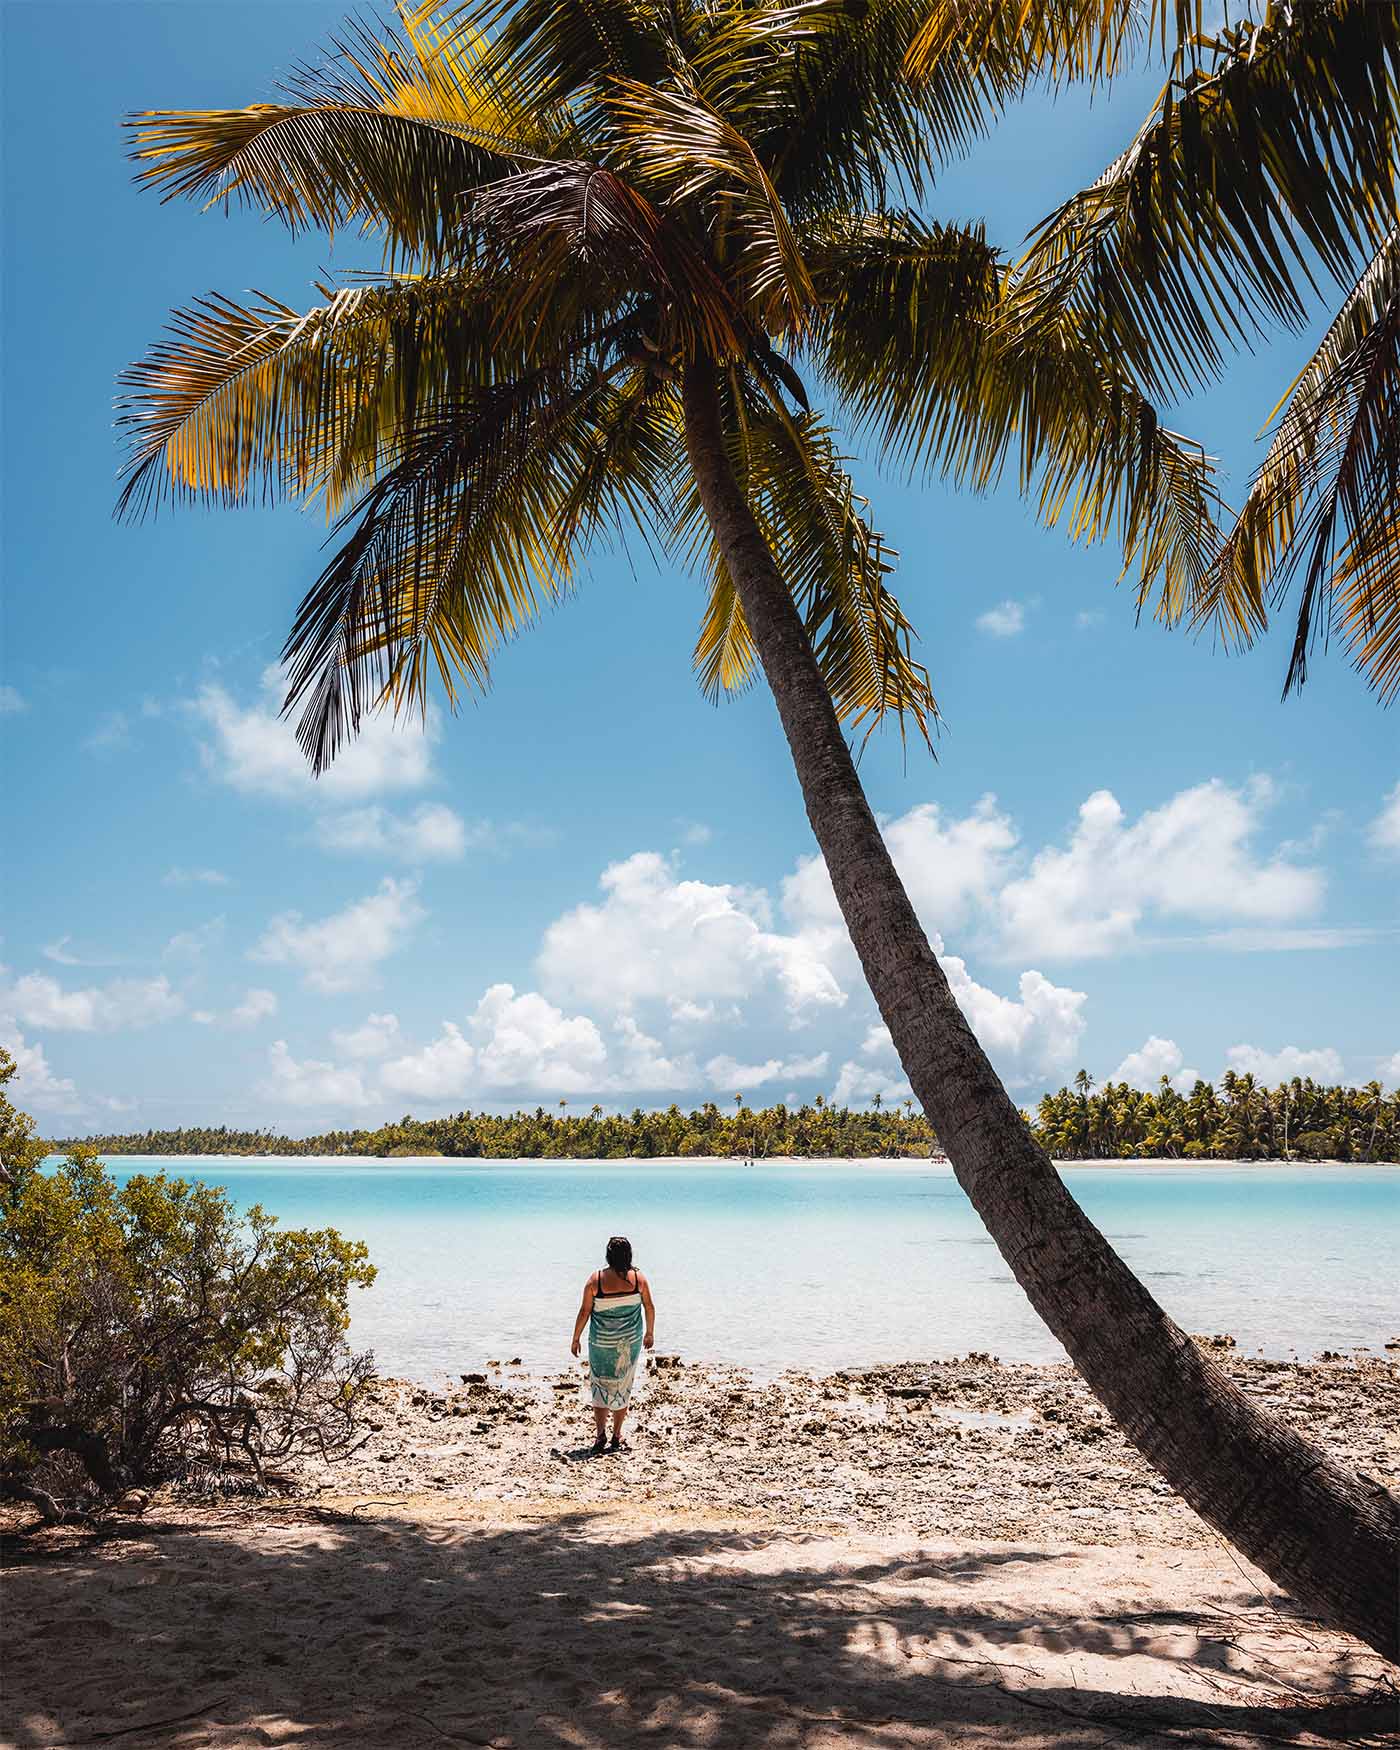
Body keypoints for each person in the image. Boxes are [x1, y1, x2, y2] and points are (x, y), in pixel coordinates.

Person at [571, 1236, 654, 1454]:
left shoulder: (595, 1280)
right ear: (629, 1254)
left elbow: (584, 1311)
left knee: (599, 1384)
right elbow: (649, 1307)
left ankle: (600, 1435)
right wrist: (649, 1333)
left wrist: (575, 1338)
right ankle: (617, 1435)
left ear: (608, 1255)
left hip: (601, 1343)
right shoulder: (639, 1279)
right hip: (629, 1343)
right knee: (623, 1385)